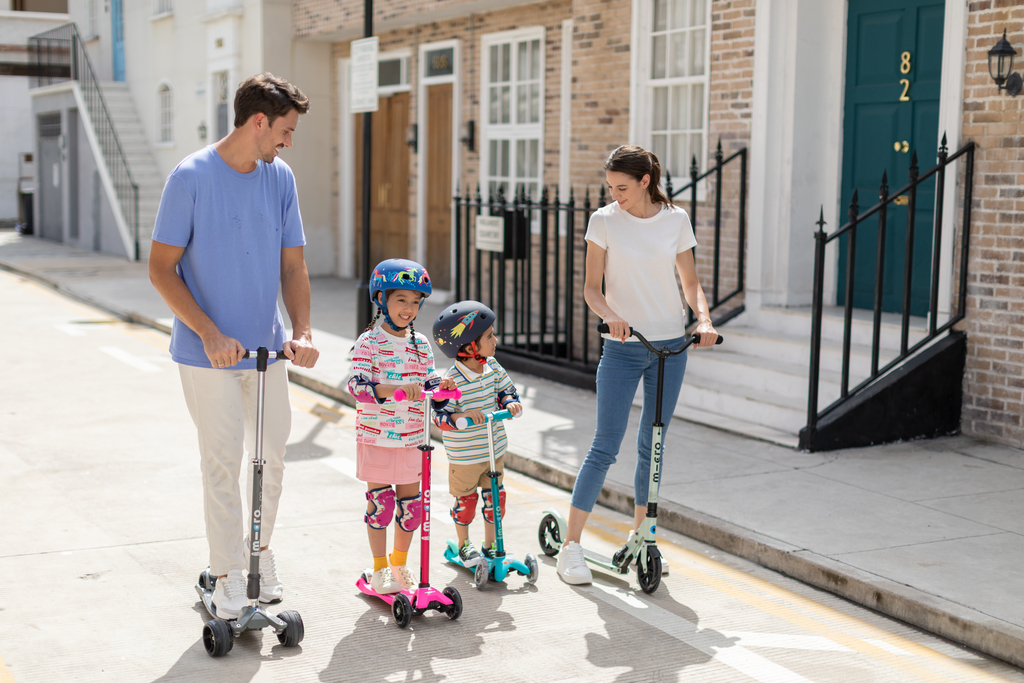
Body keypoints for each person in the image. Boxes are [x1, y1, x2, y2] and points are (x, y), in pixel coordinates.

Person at [148, 73, 319, 617]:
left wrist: (303, 331)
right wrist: (209, 332)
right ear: (259, 122)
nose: (289, 142)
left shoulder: (280, 177)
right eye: (285, 131)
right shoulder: (191, 177)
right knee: (221, 462)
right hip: (209, 354)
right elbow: (160, 269)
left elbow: (293, 264)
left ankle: (260, 554)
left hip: (267, 352)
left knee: (272, 458)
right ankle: (225, 574)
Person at [555, 144, 718, 585]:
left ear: (646, 181)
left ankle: (643, 536)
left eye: (622, 187)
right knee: (605, 445)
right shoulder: (604, 221)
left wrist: (702, 319)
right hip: (623, 348)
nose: (615, 195)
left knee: (654, 443)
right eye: (610, 187)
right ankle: (570, 546)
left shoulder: (675, 220)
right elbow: (591, 288)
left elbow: (690, 282)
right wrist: (611, 316)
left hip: (669, 348)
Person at [347, 258, 448, 594]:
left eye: (416, 302)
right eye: (401, 300)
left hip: (412, 438)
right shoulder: (369, 342)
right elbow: (357, 386)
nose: (409, 309)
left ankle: (398, 563)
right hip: (377, 437)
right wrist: (393, 390)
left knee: (410, 509)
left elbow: (429, 381)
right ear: (382, 300)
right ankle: (379, 570)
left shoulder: (421, 344)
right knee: (381, 506)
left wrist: (443, 389)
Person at [430, 301, 523, 565]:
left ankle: (491, 545)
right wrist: (460, 417)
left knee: (496, 499)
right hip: (465, 455)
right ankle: (463, 545)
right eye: (489, 336)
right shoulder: (452, 380)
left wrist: (510, 403)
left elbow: (506, 390)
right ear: (470, 346)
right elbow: (439, 415)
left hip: (494, 448)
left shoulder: (493, 366)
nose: (495, 340)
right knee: (466, 502)